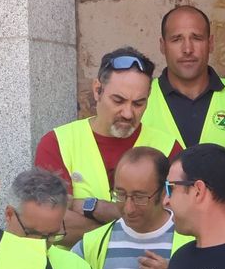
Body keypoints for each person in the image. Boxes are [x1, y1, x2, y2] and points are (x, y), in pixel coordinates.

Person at [142, 5, 225, 231]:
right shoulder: (142, 100)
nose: (187, 48)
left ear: (210, 43)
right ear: (162, 46)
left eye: (196, 38)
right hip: (158, 247)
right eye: (176, 39)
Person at [35, 47, 175, 244]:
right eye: (118, 100)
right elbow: (49, 222)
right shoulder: (57, 143)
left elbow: (179, 220)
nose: (128, 113)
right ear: (97, 90)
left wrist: (95, 208)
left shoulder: (168, 147)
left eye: (138, 103)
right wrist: (129, 227)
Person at [74, 147, 189, 269]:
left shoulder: (192, 238)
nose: (128, 208)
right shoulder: (92, 245)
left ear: (164, 192)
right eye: (120, 195)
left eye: (140, 197)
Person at [4, 167, 97, 269]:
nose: (42, 244)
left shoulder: (79, 268)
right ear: (9, 215)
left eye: (52, 235)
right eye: (33, 233)